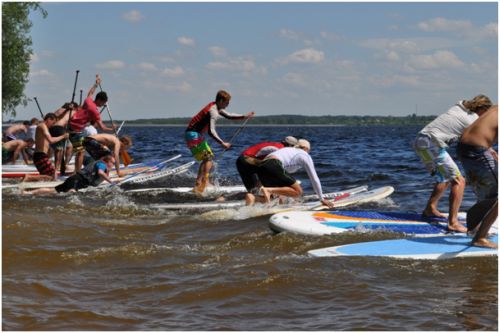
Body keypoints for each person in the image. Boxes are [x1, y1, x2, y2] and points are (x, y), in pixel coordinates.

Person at [413, 95, 492, 233]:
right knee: (459, 181)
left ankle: (430, 209)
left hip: (422, 141)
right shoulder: (472, 119)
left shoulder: (459, 107)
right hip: (431, 144)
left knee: (444, 178)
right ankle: (453, 223)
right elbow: (476, 139)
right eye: (486, 113)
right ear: (482, 109)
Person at [185, 90, 255, 193]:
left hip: (193, 135)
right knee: (208, 158)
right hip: (193, 135)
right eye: (227, 103)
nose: (227, 105)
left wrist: (245, 116)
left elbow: (229, 115)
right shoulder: (212, 111)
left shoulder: (216, 107)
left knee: (207, 158)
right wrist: (223, 143)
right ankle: (205, 181)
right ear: (221, 101)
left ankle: (199, 184)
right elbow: (211, 131)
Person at [248, 139, 334, 208]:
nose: (308, 152)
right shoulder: (304, 155)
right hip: (274, 164)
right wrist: (321, 199)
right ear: (306, 148)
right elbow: (314, 178)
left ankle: (253, 198)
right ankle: (268, 190)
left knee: (277, 196)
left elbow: (281, 173)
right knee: (298, 192)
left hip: (262, 166)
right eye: (309, 150)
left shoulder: (287, 150)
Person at [457, 105, 498, 248]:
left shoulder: (495, 108)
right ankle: (480, 238)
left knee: (485, 191)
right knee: (496, 197)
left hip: (463, 148)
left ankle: (475, 229)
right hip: (477, 150)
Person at [67, 74, 115, 173]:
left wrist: (96, 84)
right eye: (103, 103)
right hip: (76, 130)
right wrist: (112, 128)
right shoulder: (95, 111)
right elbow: (102, 127)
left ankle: (80, 169)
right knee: (80, 152)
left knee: (81, 150)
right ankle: (77, 173)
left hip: (71, 125)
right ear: (100, 100)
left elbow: (90, 93)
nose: (103, 105)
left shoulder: (88, 101)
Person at [23, 155, 116, 195]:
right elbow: (100, 172)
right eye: (113, 163)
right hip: (78, 180)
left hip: (74, 179)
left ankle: (28, 193)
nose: (113, 165)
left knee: (53, 190)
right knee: (71, 193)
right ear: (107, 162)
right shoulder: (102, 164)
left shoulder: (102, 165)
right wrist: (111, 182)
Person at [22, 113, 69, 182]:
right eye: (53, 123)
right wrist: (63, 136)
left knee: (47, 177)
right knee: (52, 176)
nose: (52, 125)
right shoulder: (42, 126)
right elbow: (51, 140)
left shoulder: (44, 127)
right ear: (49, 119)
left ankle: (30, 183)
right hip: (40, 155)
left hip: (40, 155)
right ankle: (29, 178)